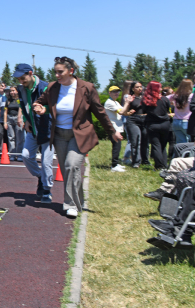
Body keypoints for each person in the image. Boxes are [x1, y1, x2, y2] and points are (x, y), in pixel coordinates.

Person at [33, 57, 121, 218]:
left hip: (79, 135)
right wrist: (39, 108)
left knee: (72, 165)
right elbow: (39, 102)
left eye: (60, 72)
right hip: (59, 135)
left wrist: (112, 131)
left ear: (71, 71)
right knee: (68, 171)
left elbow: (99, 112)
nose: (57, 75)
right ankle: (79, 199)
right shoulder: (52, 87)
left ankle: (71, 204)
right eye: (55, 72)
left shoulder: (86, 87)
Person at [15, 64, 54, 202]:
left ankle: (47, 190)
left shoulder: (45, 87)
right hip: (32, 130)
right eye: (18, 79)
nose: (21, 81)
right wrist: (26, 120)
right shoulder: (21, 89)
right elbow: (23, 106)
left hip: (47, 129)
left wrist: (44, 109)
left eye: (22, 78)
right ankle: (40, 176)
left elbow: (53, 106)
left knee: (46, 162)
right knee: (26, 155)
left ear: (30, 73)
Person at [142, 81, 171, 170]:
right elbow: (168, 109)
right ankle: (164, 165)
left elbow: (144, 111)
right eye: (160, 87)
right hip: (165, 124)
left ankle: (159, 165)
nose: (161, 89)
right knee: (163, 145)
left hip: (152, 125)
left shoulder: (146, 100)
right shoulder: (165, 99)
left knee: (156, 145)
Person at [122, 82, 147, 168]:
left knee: (145, 142)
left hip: (145, 120)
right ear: (133, 89)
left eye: (141, 87)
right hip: (133, 120)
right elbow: (124, 112)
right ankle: (136, 162)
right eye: (137, 87)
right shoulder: (130, 98)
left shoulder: (145, 97)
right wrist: (128, 112)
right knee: (136, 141)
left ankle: (145, 161)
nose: (140, 88)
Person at [103, 86, 127, 172]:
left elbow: (123, 111)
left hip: (117, 127)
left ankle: (116, 163)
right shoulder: (109, 102)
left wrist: (128, 112)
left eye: (117, 91)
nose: (116, 93)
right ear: (109, 93)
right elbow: (121, 112)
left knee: (118, 145)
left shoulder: (115, 102)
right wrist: (127, 103)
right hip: (113, 128)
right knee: (116, 146)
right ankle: (114, 165)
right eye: (114, 92)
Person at [168, 79, 193, 144]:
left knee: (180, 143)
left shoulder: (176, 95)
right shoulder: (191, 96)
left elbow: (165, 98)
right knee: (191, 143)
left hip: (176, 121)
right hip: (186, 121)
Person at [4, 87, 23, 162]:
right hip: (10, 118)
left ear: (17, 91)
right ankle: (12, 154)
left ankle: (19, 154)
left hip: (18, 118)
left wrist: (19, 118)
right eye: (11, 91)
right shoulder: (8, 100)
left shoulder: (20, 99)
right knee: (11, 137)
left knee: (19, 137)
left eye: (13, 90)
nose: (12, 92)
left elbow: (21, 109)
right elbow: (5, 111)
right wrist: (5, 122)